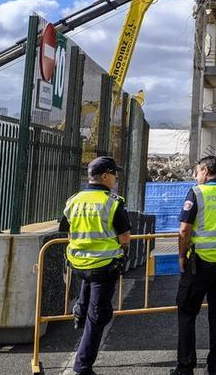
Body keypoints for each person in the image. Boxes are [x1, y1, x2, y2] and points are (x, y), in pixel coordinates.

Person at [172, 155, 216, 375]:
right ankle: (214, 369)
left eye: (196, 172)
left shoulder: (197, 193)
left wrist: (182, 255)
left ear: (205, 171)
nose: (195, 176)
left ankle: (185, 367)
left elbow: (185, 230)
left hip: (200, 264)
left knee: (186, 311)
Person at [60, 157, 132, 375]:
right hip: (103, 265)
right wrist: (122, 254)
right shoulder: (112, 202)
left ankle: (80, 310)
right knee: (98, 317)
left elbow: (66, 228)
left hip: (78, 263)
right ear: (104, 176)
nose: (116, 179)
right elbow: (125, 237)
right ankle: (83, 366)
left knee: (87, 285)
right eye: (114, 175)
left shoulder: (74, 200)